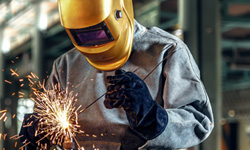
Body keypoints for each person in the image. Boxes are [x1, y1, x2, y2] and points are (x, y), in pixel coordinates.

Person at [19, 0, 214, 149]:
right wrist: (40, 133)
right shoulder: (65, 64)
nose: (94, 44)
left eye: (99, 32)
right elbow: (54, 125)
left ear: (119, 13)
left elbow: (200, 121)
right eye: (82, 35)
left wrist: (153, 117)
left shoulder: (166, 50)